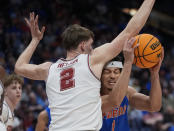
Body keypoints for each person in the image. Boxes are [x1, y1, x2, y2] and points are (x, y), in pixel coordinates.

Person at [15, 0, 156, 130]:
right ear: (82, 46)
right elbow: (130, 31)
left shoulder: (48, 69)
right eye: (90, 45)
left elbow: (19, 67)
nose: (92, 49)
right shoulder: (91, 60)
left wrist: (35, 40)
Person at [100, 47, 164, 131]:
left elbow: (154, 106)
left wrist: (154, 75)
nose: (112, 76)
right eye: (107, 72)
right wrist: (128, 62)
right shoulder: (94, 96)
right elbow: (115, 100)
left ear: (121, 75)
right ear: (100, 75)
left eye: (116, 72)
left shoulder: (127, 92)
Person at [0, 66, 24, 131]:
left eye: (19, 88)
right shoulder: (3, 107)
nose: (18, 90)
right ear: (5, 92)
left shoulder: (11, 113)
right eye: (14, 88)